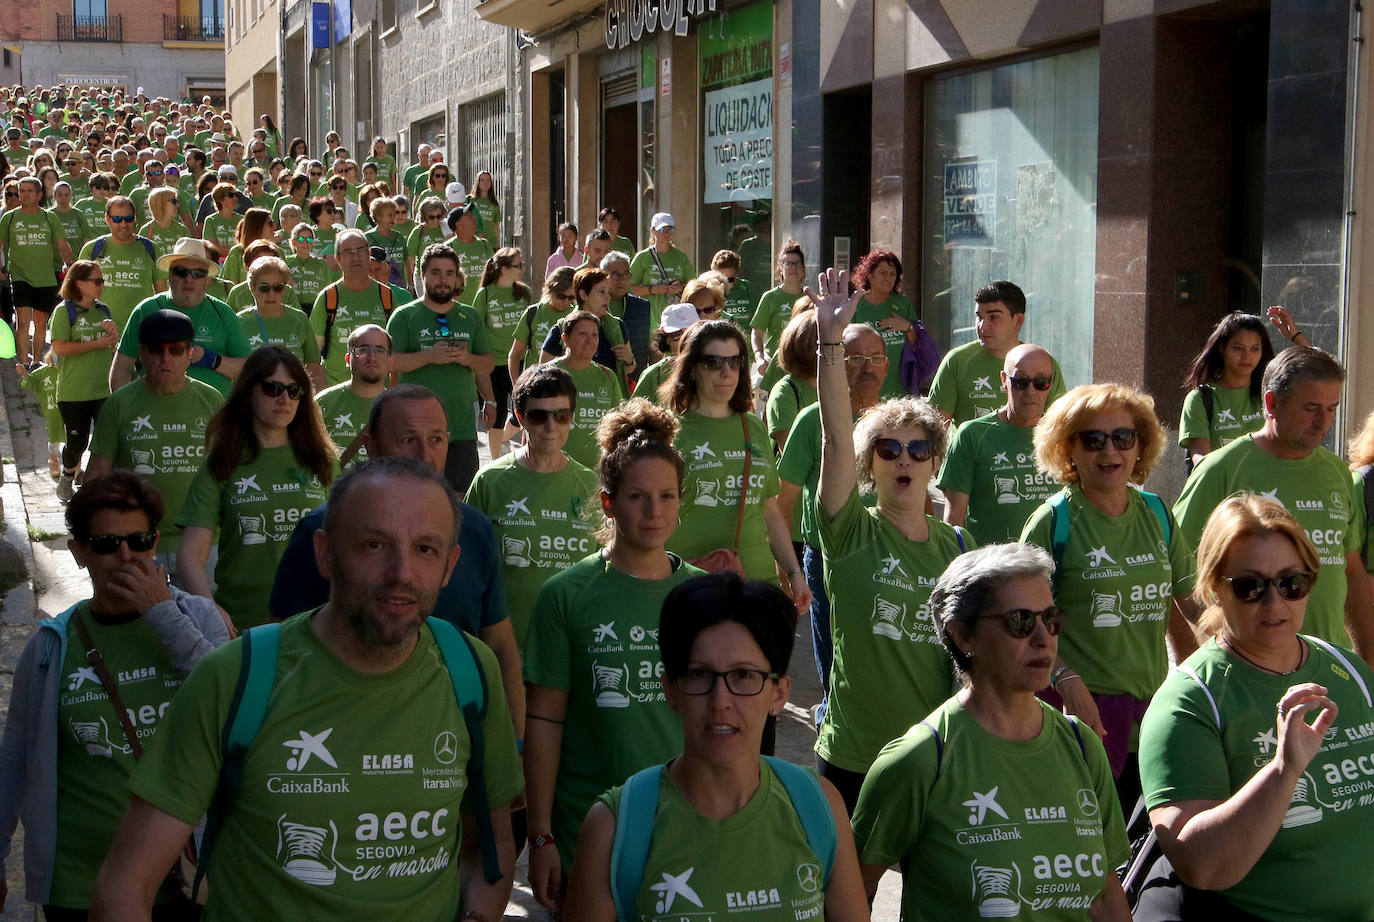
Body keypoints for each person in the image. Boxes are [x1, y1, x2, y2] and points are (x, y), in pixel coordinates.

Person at [91, 458, 523, 921]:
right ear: (325, 553)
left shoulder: (470, 669)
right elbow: (124, 884)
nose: (401, 572)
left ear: (448, 566)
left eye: (425, 550)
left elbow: (492, 846)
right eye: (374, 545)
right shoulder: (234, 677)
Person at [565, 572, 869, 922]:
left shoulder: (818, 807)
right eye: (699, 674)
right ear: (670, 689)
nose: (720, 700)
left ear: (779, 693)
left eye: (744, 675)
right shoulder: (613, 829)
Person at [851, 543, 1131, 920]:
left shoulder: (1081, 746)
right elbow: (849, 895)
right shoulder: (918, 760)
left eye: (1050, 619)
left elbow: (1106, 899)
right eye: (1019, 621)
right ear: (963, 636)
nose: (1043, 638)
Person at [0, 471, 232, 920]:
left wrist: (163, 613)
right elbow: (15, 759)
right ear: (79, 552)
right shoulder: (51, 646)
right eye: (107, 544)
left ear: (155, 541)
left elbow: (233, 701)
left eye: (139, 541)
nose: (126, 557)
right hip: (80, 882)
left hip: (190, 871)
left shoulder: (198, 618)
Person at [1136, 494, 1374, 921]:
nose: (1274, 602)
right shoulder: (1190, 701)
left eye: (1291, 583)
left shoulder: (1348, 671)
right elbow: (1200, 865)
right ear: (1213, 589)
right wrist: (1283, 772)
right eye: (1249, 587)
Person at [523, 398, 706, 912]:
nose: (655, 512)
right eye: (638, 497)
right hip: (585, 826)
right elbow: (544, 720)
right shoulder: (566, 595)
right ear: (608, 503)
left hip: (685, 827)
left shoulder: (705, 597)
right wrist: (540, 836)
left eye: (667, 496)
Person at [807, 268, 972, 811]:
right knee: (850, 895)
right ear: (869, 464)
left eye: (919, 450)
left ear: (934, 463)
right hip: (854, 755)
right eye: (889, 449)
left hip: (932, 753)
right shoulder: (850, 530)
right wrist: (830, 344)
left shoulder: (957, 548)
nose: (904, 458)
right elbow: (834, 432)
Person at [1019, 383, 1196, 807]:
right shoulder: (1052, 523)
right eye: (1093, 440)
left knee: (1147, 846)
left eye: (1123, 438)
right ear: (1069, 450)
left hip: (1152, 712)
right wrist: (1067, 681)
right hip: (1082, 715)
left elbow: (1183, 605)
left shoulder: (1156, 512)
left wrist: (1197, 683)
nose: (1109, 451)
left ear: (1140, 446)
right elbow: (1020, 626)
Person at [1175, 346, 1372, 662]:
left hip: (1330, 663)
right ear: (1271, 403)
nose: (1323, 422)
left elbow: (1351, 570)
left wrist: (1367, 659)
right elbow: (1177, 570)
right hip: (1250, 667)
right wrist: (1211, 648)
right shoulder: (1220, 469)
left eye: (1331, 409)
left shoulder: (1337, 471)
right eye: (1310, 408)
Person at [176, 346, 335, 631]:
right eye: (272, 388)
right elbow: (190, 554)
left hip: (317, 624)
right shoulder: (222, 463)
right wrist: (209, 608)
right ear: (248, 392)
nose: (284, 398)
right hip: (243, 624)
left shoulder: (322, 461)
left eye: (294, 390)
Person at [777, 323, 887, 720]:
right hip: (826, 557)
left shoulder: (897, 418)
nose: (866, 367)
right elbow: (783, 498)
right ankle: (834, 720)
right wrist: (787, 568)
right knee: (833, 649)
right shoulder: (812, 419)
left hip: (887, 551)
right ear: (835, 364)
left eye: (875, 358)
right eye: (855, 358)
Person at [664, 319, 808, 608]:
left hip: (756, 582)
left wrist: (794, 573)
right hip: (690, 582)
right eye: (714, 362)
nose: (726, 372)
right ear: (691, 368)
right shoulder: (668, 431)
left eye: (735, 361)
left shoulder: (753, 427)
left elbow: (770, 512)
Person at [467, 363, 601, 651]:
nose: (551, 427)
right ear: (520, 418)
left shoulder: (589, 484)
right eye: (539, 416)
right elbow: (466, 566)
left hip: (571, 649)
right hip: (505, 649)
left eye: (561, 416)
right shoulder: (490, 482)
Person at [86, 309, 225, 584]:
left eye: (176, 350)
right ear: (141, 353)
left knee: (203, 625)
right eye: (156, 350)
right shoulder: (119, 404)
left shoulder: (211, 400)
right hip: (138, 545)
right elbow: (96, 475)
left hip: (202, 542)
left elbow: (228, 470)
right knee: (140, 627)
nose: (166, 359)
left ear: (190, 353)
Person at [387, 242, 494, 493]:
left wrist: (468, 361)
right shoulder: (404, 316)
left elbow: (487, 363)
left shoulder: (470, 316)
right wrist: (429, 356)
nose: (443, 280)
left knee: (459, 504)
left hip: (461, 431)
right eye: (436, 273)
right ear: (423, 275)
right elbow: (389, 362)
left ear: (457, 278)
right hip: (413, 432)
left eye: (449, 273)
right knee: (413, 498)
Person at [939, 343, 1059, 544]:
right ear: (1004, 380)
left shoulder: (1063, 435)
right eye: (1020, 381)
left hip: (1053, 567)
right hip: (991, 567)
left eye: (1040, 382)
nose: (1031, 391)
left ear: (1050, 383)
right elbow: (954, 522)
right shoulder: (972, 434)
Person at [112, 238, 252, 396]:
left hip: (211, 414)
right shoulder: (146, 309)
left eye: (198, 273)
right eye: (181, 271)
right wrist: (123, 409)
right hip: (155, 412)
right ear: (169, 275)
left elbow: (247, 370)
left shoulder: (223, 313)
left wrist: (213, 360)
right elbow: (122, 366)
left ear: (208, 279)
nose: (189, 279)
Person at [929, 280, 1067, 425]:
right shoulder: (957, 360)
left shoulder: (1043, 363)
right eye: (980, 317)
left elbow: (1060, 424)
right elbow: (935, 430)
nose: (983, 326)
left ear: (1018, 321)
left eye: (993, 317)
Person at [1178, 310, 1289, 469]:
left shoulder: (1270, 394)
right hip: (1224, 491)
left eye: (1255, 349)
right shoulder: (1199, 399)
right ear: (1222, 349)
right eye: (1238, 348)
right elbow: (1202, 464)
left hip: (1268, 492)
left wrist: (1296, 336)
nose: (1247, 356)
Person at [49, 259, 118, 501]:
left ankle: (96, 483)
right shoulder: (64, 311)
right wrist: (98, 343)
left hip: (102, 389)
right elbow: (59, 347)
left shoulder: (103, 310)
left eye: (102, 281)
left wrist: (112, 338)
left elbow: (112, 350)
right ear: (79, 283)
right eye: (96, 281)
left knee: (104, 442)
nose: (101, 285)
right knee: (76, 443)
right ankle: (68, 475)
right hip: (74, 391)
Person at [0, 175, 74, 366]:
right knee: (23, 322)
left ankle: (36, 362)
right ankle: (24, 364)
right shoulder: (10, 217)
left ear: (39, 194)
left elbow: (63, 246)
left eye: (29, 191)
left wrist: (70, 265)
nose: (23, 195)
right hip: (19, 275)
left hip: (45, 277)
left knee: (41, 325)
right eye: (21, 191)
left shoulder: (49, 217)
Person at [311, 228, 399, 386]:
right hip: (338, 394)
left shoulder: (386, 295)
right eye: (348, 252)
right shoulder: (328, 297)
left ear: (368, 254)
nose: (355, 257)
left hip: (378, 394)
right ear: (337, 258)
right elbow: (311, 357)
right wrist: (325, 397)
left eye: (360, 250)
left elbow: (397, 353)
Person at [470, 247, 534, 459]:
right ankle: (496, 461)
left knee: (524, 412)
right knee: (496, 415)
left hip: (521, 361)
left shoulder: (524, 293)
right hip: (494, 364)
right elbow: (476, 330)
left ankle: (517, 448)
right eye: (518, 265)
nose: (523, 269)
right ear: (503, 269)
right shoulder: (486, 294)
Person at [548, 310, 624, 469]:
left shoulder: (607, 376)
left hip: (597, 472)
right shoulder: (547, 374)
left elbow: (618, 423)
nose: (590, 340)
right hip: (557, 469)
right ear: (565, 339)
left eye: (594, 335)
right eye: (582, 334)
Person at [850, 249, 930, 398]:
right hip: (865, 389)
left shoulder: (902, 303)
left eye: (892, 274)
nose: (888, 278)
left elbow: (918, 345)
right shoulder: (857, 305)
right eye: (883, 273)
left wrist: (906, 327)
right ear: (869, 275)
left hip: (901, 391)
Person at [77, 195, 163, 332]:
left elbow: (161, 292)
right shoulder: (92, 249)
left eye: (128, 218)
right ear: (107, 219)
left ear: (135, 218)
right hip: (101, 328)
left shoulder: (151, 249)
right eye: (117, 219)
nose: (123, 224)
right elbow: (80, 292)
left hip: (141, 327)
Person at [237, 255, 323, 387]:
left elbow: (314, 367)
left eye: (278, 287)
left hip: (293, 398)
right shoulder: (239, 323)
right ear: (252, 288)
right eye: (264, 288)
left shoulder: (300, 319)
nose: (271, 294)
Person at [314, 323, 390, 466]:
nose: (372, 357)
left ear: (390, 361)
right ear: (348, 359)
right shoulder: (322, 402)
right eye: (362, 350)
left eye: (380, 350)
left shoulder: (400, 408)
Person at [749, 242, 806, 390]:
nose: (792, 267)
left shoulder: (810, 298)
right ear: (780, 269)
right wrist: (759, 358)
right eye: (788, 264)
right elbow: (757, 333)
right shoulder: (770, 297)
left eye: (797, 263)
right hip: (774, 366)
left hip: (803, 365)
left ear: (803, 268)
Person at [629, 212, 694, 329]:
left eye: (670, 230)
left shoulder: (682, 257)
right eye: (663, 229)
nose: (667, 234)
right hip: (648, 319)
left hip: (677, 321)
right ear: (653, 231)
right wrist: (652, 289)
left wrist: (681, 288)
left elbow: (694, 286)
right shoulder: (642, 257)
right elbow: (629, 288)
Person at [508, 265, 574, 376]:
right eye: (561, 296)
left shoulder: (576, 315)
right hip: (534, 382)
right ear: (550, 289)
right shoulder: (533, 313)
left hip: (565, 384)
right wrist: (516, 385)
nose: (566, 301)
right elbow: (515, 355)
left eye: (571, 298)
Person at [630, 302, 698, 403]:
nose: (684, 339)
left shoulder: (715, 367)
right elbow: (634, 414)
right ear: (666, 338)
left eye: (690, 332)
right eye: (677, 334)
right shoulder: (651, 375)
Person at [603, 251, 652, 375]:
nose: (622, 280)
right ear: (603, 275)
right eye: (615, 275)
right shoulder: (594, 306)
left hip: (636, 382)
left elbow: (653, 348)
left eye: (626, 274)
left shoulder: (643, 308)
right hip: (603, 382)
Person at [444, 203, 494, 306]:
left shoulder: (485, 244)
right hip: (458, 307)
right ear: (459, 224)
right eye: (468, 216)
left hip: (483, 305)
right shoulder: (448, 248)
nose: (474, 218)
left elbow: (494, 273)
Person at [283, 221, 333, 314]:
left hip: (316, 308)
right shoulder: (286, 262)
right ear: (293, 241)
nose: (305, 243)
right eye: (301, 239)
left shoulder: (321, 264)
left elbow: (328, 290)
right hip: (293, 308)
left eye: (309, 240)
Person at [138, 186, 182, 257]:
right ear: (161, 204)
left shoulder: (182, 230)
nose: (178, 205)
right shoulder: (146, 231)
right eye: (174, 201)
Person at [467, 169, 501, 245]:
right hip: (474, 241)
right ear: (477, 182)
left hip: (490, 243)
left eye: (488, 180)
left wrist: (498, 244)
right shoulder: (469, 199)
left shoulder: (494, 203)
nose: (485, 182)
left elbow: (496, 226)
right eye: (482, 180)